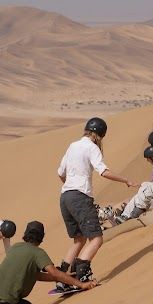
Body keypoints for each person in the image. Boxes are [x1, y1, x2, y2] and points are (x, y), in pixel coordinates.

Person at [55, 117, 134, 292]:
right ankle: (81, 275)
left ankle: (62, 278)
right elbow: (103, 172)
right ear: (100, 135)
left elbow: (60, 172)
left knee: (79, 239)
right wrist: (125, 180)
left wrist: (70, 185)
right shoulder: (92, 148)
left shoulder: (73, 145)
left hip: (65, 196)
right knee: (96, 238)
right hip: (80, 197)